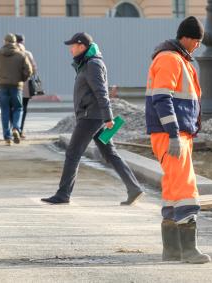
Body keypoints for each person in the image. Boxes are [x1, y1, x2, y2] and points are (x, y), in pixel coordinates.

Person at [41, 32, 144, 206]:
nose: (70, 49)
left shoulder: (92, 64)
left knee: (73, 153)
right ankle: (134, 188)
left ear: (82, 46)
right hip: (94, 116)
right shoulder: (87, 63)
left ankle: (63, 194)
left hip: (91, 117)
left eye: (72, 46)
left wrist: (108, 117)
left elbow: (101, 92)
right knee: (109, 153)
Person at [145, 16, 210, 264]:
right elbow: (162, 98)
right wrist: (173, 133)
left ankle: (172, 250)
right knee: (185, 188)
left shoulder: (174, 59)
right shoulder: (171, 60)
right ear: (189, 38)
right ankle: (188, 250)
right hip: (173, 135)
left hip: (176, 134)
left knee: (173, 190)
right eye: (198, 41)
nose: (198, 46)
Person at [0, 33, 32, 146]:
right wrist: (21, 78)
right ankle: (16, 129)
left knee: (5, 111)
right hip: (16, 87)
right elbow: (29, 71)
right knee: (18, 108)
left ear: (4, 42)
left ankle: (7, 138)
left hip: (2, 86)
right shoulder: (21, 55)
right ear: (15, 42)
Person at [16, 34, 37, 139]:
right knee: (23, 109)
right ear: (22, 42)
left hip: (12, 86)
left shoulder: (11, 53)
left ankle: (13, 129)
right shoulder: (27, 54)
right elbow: (34, 69)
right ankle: (19, 131)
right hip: (25, 87)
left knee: (13, 108)